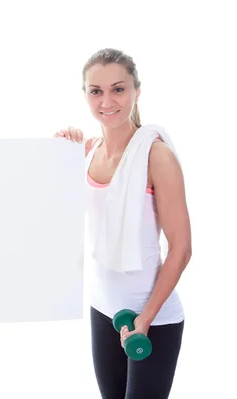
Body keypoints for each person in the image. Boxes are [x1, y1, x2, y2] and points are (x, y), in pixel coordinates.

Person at [55, 48, 191, 398]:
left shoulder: (156, 156)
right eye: (95, 91)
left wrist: (144, 319)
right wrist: (61, 149)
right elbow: (45, 210)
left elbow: (181, 248)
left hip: (152, 318)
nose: (107, 100)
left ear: (136, 91)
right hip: (102, 308)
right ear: (85, 94)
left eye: (118, 88)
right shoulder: (86, 151)